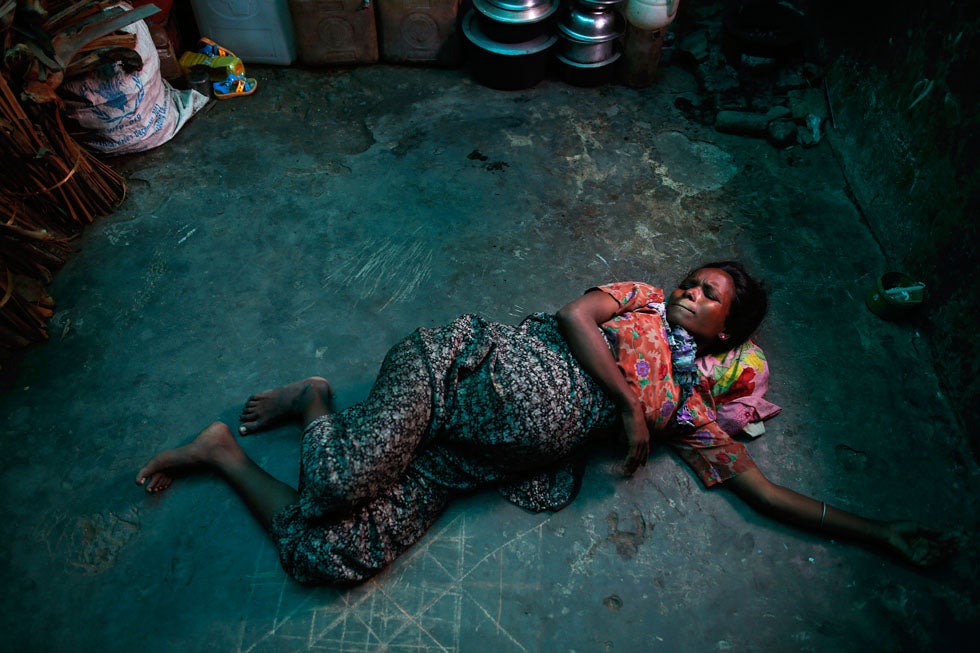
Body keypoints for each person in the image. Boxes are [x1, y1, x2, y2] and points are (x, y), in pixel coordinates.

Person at [136, 262, 953, 585]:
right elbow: (571, 314)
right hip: (454, 371)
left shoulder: (690, 407)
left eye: (708, 298)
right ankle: (316, 399)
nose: (688, 292)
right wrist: (628, 404)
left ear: (725, 337)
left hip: (471, 461)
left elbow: (763, 489)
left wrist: (882, 531)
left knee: (330, 553)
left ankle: (222, 454)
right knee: (335, 480)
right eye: (693, 280)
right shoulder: (633, 300)